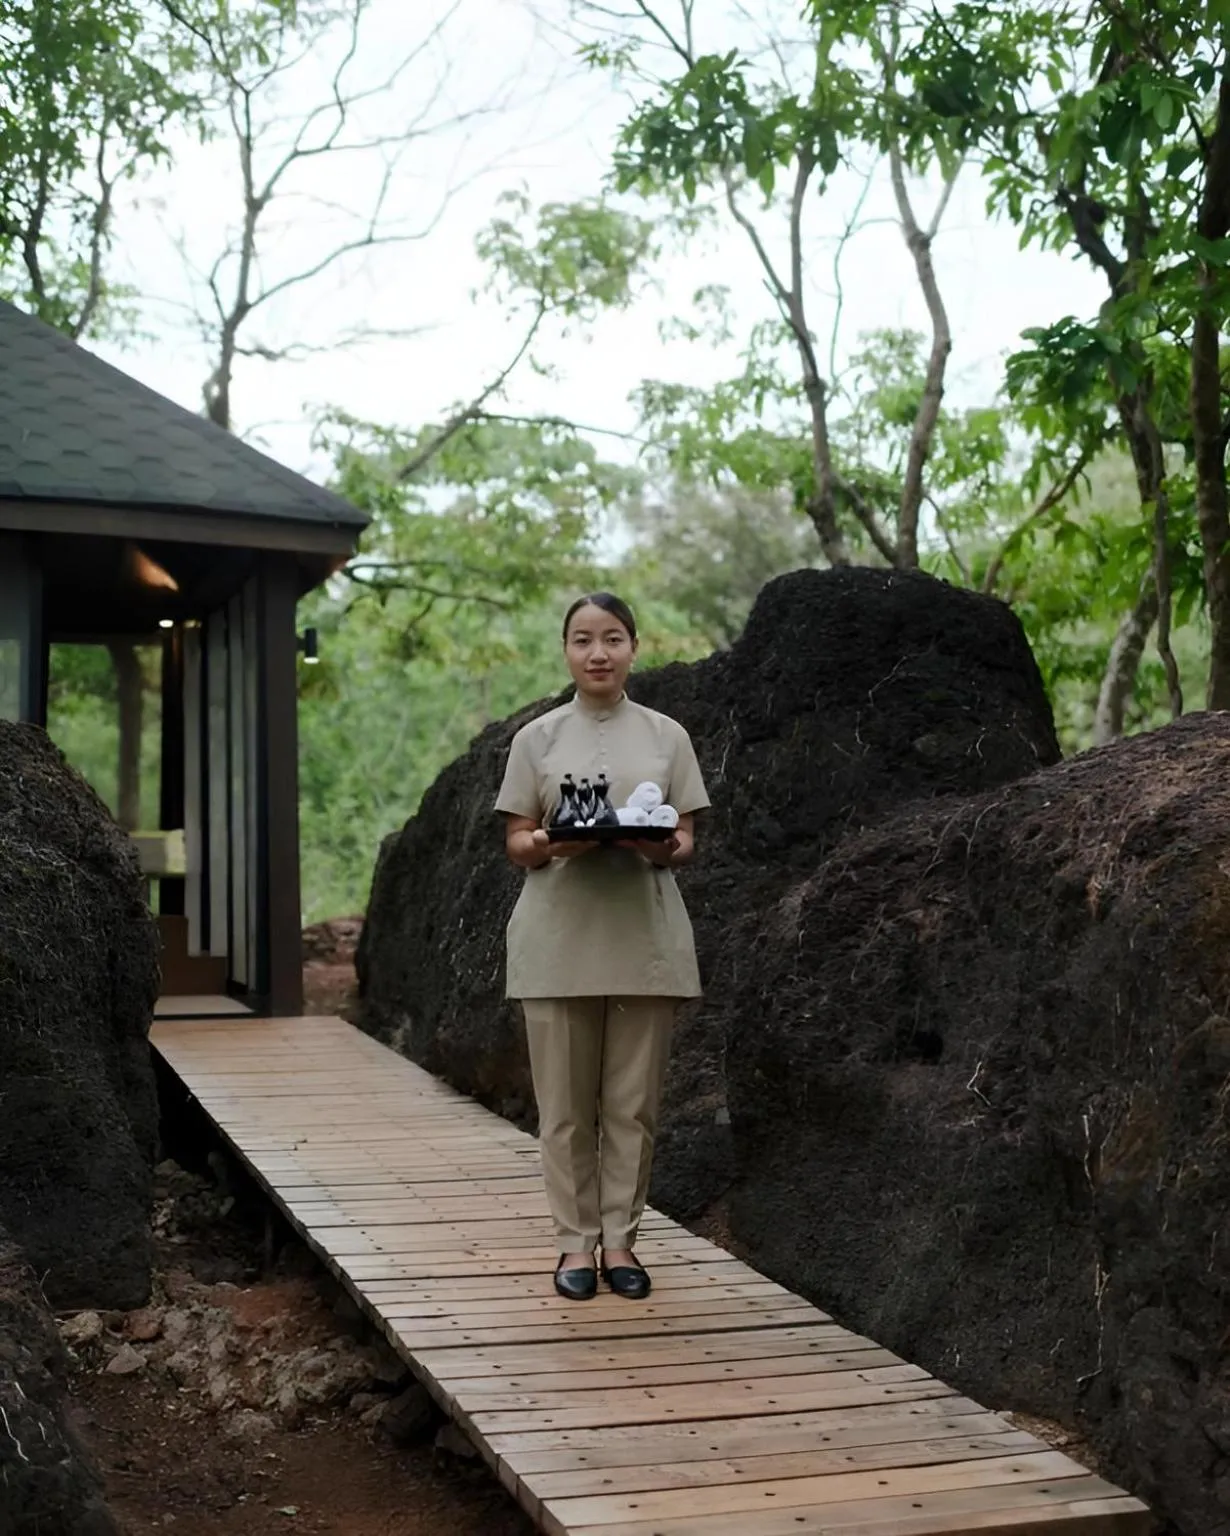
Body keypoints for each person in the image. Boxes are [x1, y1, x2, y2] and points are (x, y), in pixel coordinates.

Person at [494, 592, 709, 1301]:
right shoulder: (538, 740)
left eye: (612, 638)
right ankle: (572, 1245)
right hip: (556, 937)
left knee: (632, 1105)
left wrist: (657, 847)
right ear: (566, 650)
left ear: (633, 648)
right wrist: (555, 841)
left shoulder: (668, 736)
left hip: (644, 935)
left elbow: (682, 840)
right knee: (563, 1108)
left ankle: (621, 1241)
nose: (598, 653)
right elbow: (519, 843)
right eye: (583, 639)